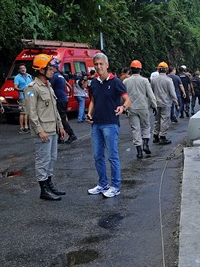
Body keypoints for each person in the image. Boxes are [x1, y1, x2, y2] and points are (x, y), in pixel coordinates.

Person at [86, 53, 131, 198]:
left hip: (110, 124)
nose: (99, 67)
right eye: (96, 64)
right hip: (96, 124)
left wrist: (122, 108)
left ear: (107, 65)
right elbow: (93, 100)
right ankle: (102, 184)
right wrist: (89, 113)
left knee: (112, 156)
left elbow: (127, 99)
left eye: (101, 64)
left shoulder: (116, 82)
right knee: (98, 155)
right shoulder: (93, 83)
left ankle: (115, 186)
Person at [25, 54, 67, 201]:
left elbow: (54, 109)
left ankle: (49, 185)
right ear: (41, 70)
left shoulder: (48, 86)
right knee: (43, 160)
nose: (53, 71)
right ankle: (44, 190)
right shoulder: (32, 88)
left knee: (52, 159)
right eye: (50, 69)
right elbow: (32, 113)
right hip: (43, 131)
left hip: (53, 129)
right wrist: (39, 130)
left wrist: (61, 126)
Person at [124, 60, 157, 158]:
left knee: (135, 129)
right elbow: (150, 95)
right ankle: (146, 144)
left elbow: (123, 95)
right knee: (146, 126)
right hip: (143, 107)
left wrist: (124, 107)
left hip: (131, 107)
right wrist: (154, 105)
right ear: (140, 70)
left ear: (131, 70)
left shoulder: (125, 81)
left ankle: (139, 151)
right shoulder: (145, 80)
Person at [150, 61, 178, 145]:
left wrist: (151, 103)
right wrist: (176, 102)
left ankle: (155, 136)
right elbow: (172, 93)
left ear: (158, 70)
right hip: (166, 103)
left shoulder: (153, 80)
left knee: (157, 120)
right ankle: (162, 137)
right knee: (164, 120)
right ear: (166, 70)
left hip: (156, 103)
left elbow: (151, 92)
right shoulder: (169, 80)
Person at [50, 66, 78, 144]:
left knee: (61, 118)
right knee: (61, 117)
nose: (50, 71)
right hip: (64, 98)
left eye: (51, 69)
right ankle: (60, 137)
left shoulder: (55, 76)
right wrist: (68, 94)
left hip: (59, 99)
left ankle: (71, 134)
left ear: (54, 68)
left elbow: (49, 87)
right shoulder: (60, 75)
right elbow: (69, 86)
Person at [14, 64, 33, 133]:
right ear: (19, 70)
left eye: (24, 68)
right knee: (23, 112)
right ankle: (22, 127)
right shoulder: (17, 77)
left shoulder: (29, 76)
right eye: (21, 68)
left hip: (30, 95)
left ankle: (28, 126)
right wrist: (21, 90)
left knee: (29, 111)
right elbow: (15, 87)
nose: (23, 69)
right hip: (22, 96)